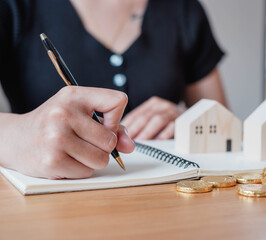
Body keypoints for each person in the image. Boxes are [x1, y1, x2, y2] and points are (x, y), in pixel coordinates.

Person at [0, 0, 226, 179]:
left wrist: (188, 121)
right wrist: (17, 135)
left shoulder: (184, 9)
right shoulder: (13, 6)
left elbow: (225, 129)